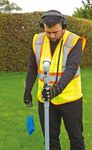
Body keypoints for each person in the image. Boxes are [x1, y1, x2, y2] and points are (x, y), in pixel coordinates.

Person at [23, 10, 86, 150]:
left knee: (76, 139)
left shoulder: (74, 41)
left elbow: (71, 68)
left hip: (70, 100)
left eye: (56, 32)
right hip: (46, 99)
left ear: (63, 26)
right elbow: (32, 67)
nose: (52, 36)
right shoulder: (37, 41)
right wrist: (27, 90)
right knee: (50, 141)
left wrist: (55, 90)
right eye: (48, 32)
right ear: (43, 27)